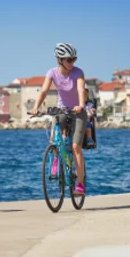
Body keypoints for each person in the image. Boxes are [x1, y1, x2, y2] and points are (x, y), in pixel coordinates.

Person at [30, 43, 88, 196]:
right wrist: (36, 106)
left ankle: (80, 184)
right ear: (60, 60)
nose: (72, 62)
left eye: (74, 59)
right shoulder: (52, 72)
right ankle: (56, 156)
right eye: (69, 59)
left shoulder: (78, 72)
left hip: (78, 111)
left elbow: (81, 89)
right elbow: (44, 90)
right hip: (62, 109)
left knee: (76, 147)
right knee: (54, 137)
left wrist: (81, 105)